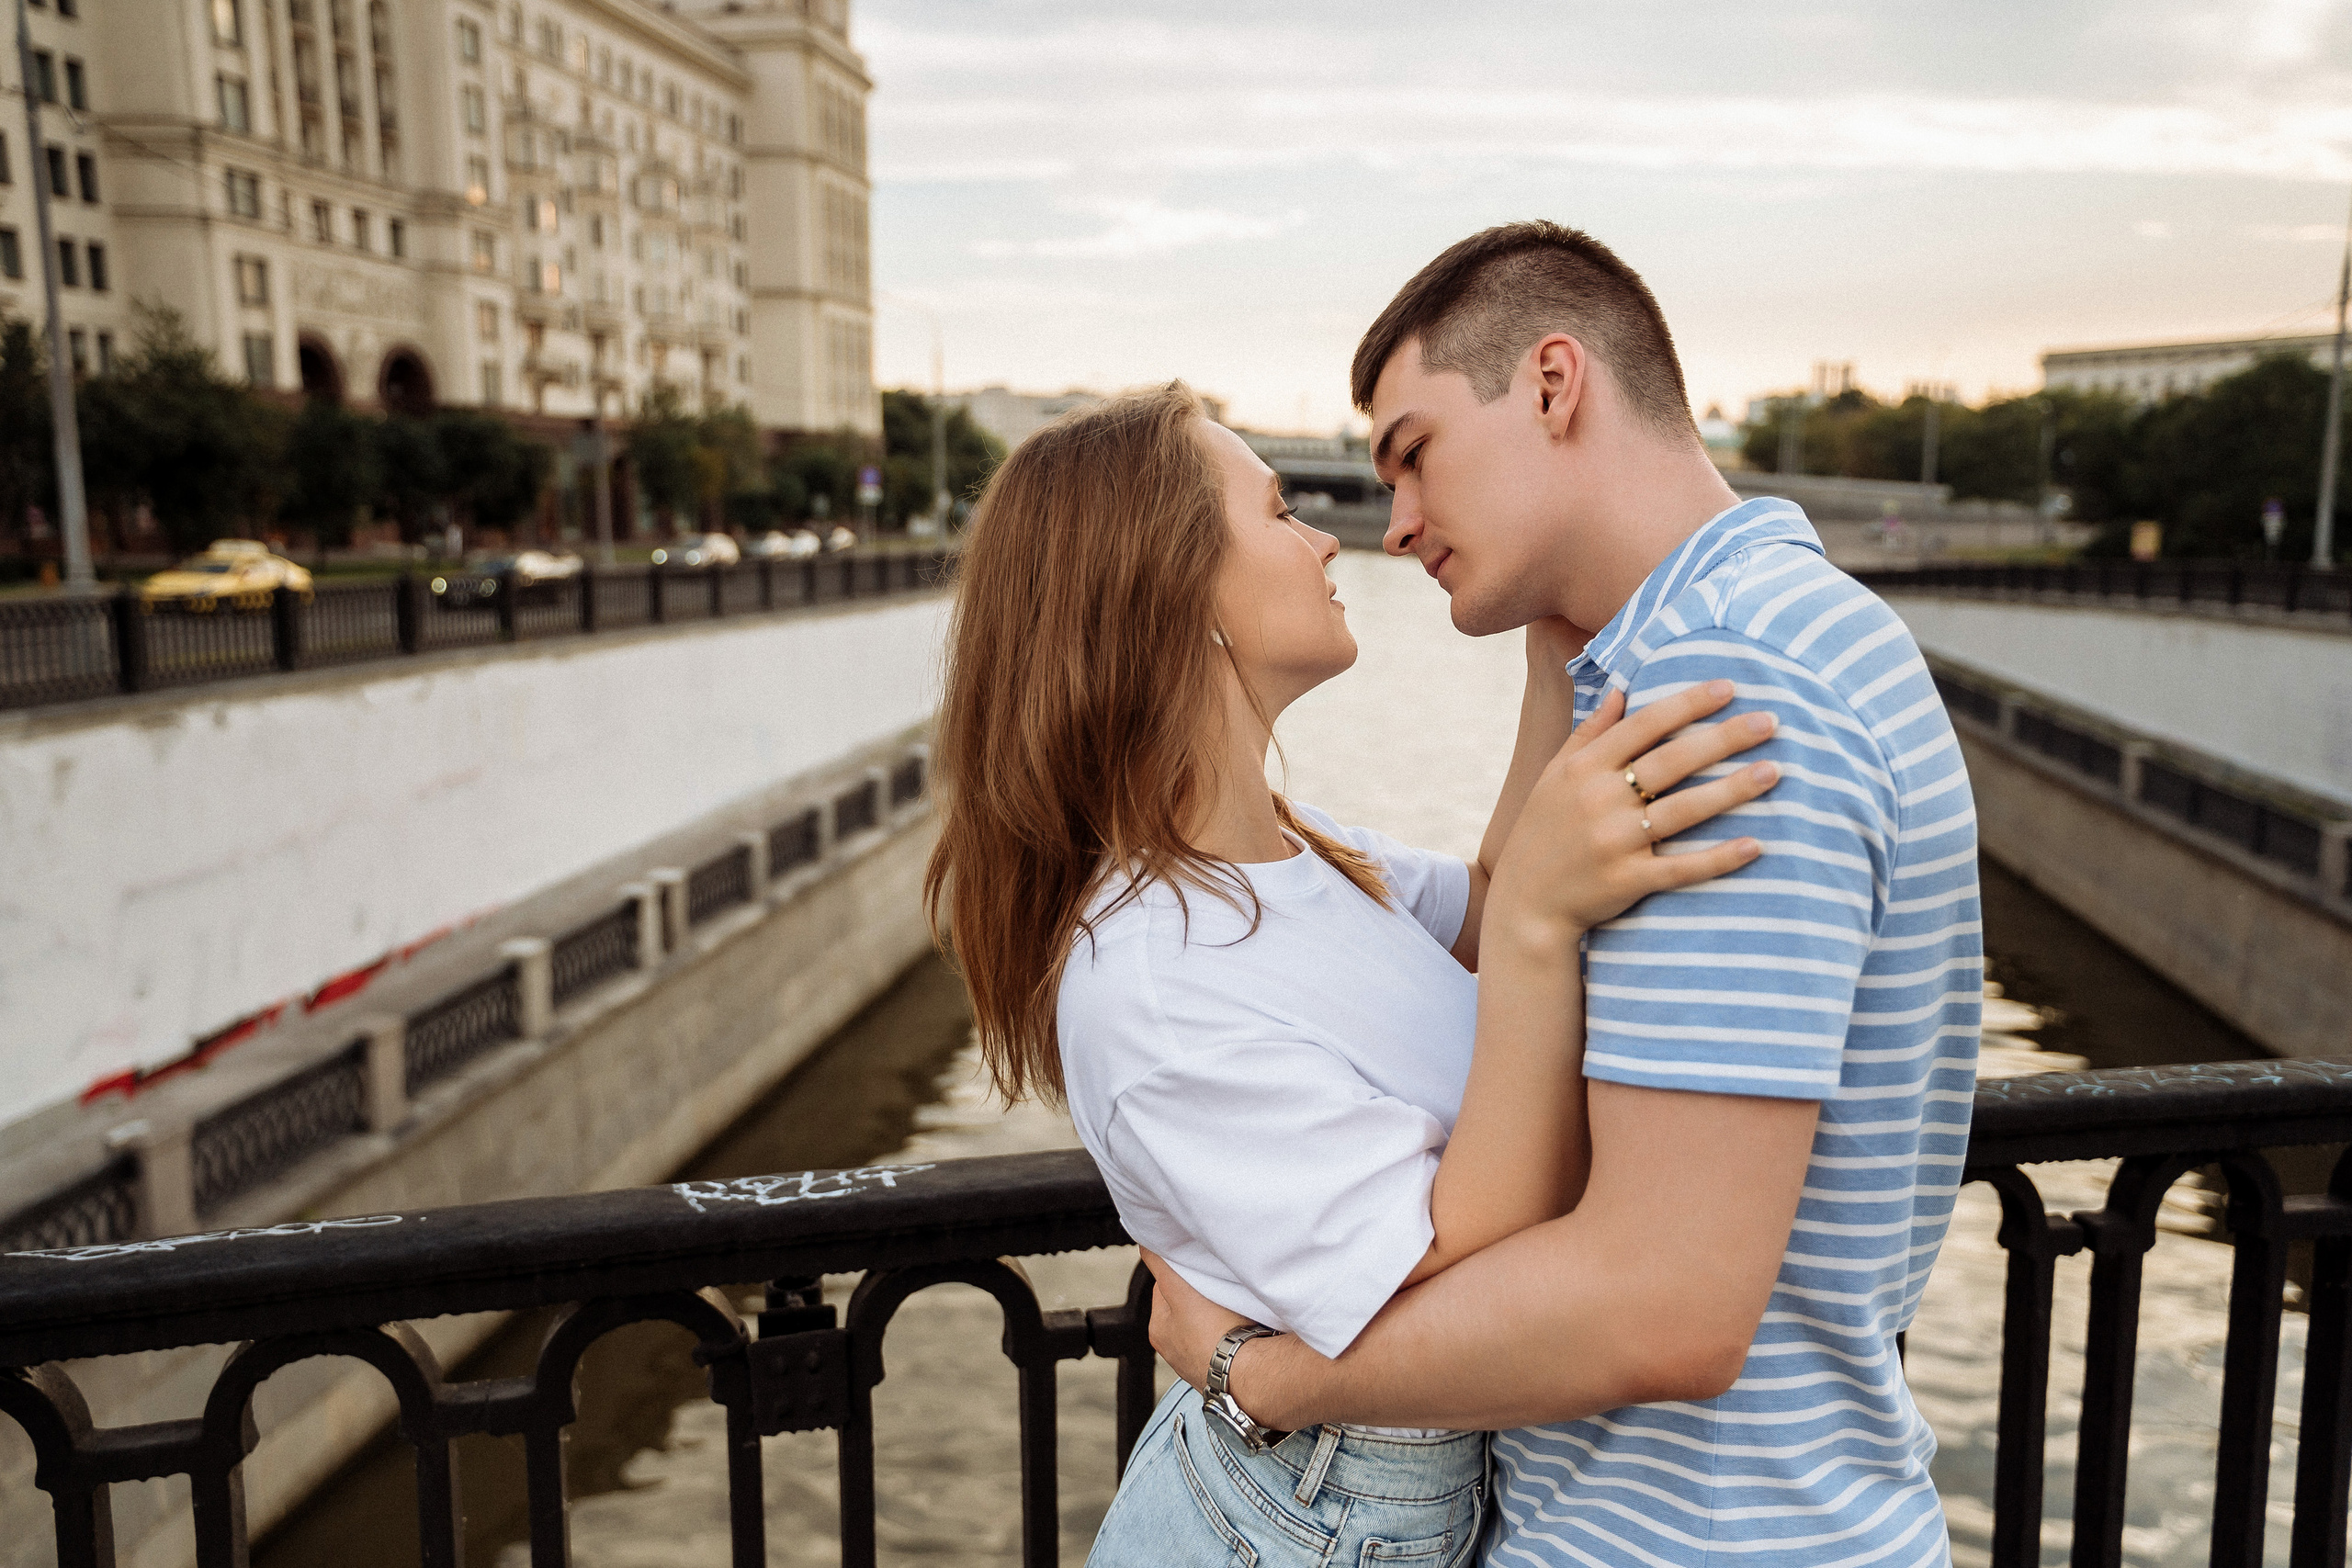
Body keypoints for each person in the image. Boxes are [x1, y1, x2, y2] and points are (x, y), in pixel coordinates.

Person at [1142, 220, 1983, 1568]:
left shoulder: (1732, 690)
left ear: (1551, 384)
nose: (1395, 524)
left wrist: (1267, 1376)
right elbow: (1496, 913)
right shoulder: (1759, 637)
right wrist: (1562, 651)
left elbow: (1666, 1305)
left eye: (1412, 451)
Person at [924, 381, 1786, 1566]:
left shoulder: (1280, 852)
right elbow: (1451, 1243)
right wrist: (1541, 921)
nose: (1330, 536)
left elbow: (1480, 907)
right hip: (1291, 1526)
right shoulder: (1149, 978)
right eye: (1281, 512)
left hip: (1354, 1496)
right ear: (1180, 601)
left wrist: (1555, 645)